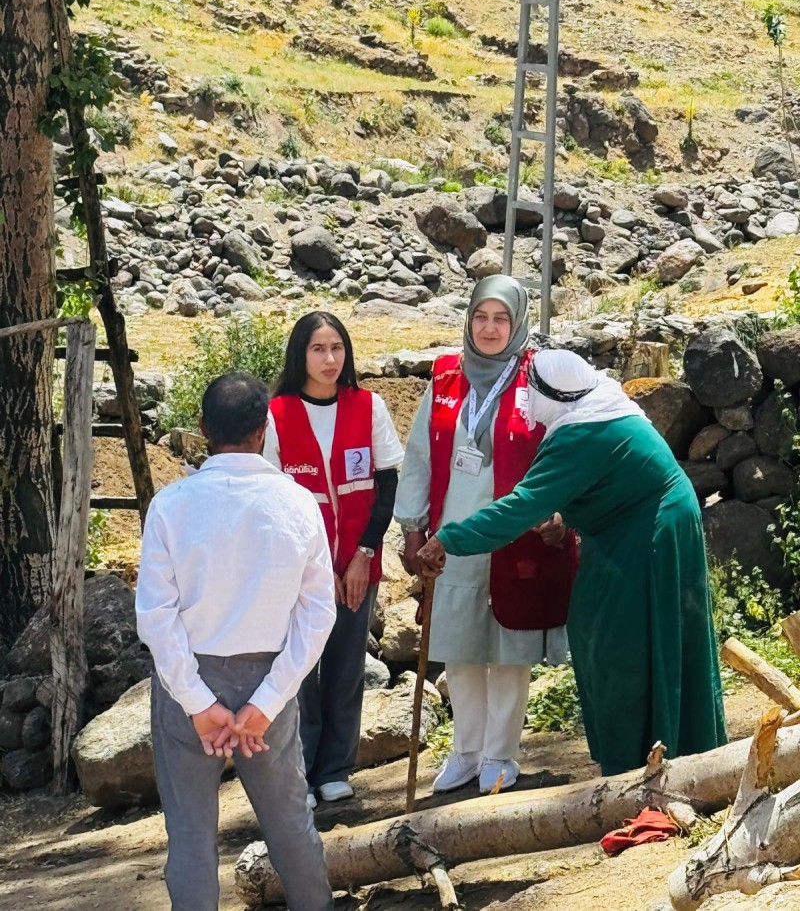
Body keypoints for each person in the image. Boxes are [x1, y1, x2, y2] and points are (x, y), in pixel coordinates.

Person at [415, 349, 727, 777]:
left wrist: (447, 539)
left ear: (553, 394)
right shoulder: (595, 407)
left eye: (532, 391)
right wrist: (562, 515)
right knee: (611, 631)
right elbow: (597, 483)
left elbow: (519, 508)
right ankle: (655, 751)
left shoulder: (582, 433)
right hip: (634, 530)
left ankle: (642, 760)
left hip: (648, 536)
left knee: (620, 643)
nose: (527, 401)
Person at [136, 372, 337, 911]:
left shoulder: (171, 504)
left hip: (189, 679)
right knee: (290, 823)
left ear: (203, 428)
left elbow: (155, 616)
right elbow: (318, 613)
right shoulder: (298, 503)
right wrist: (268, 700)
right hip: (270, 676)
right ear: (264, 429)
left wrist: (198, 702)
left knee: (191, 835)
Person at [394, 276, 579, 795]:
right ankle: (465, 751)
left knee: (508, 650)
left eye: (501, 318)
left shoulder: (539, 378)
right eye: (481, 317)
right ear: (469, 319)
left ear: (518, 323)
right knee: (460, 647)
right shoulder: (445, 378)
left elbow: (567, 449)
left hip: (515, 534)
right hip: (453, 538)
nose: (490, 328)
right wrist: (412, 529)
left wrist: (561, 512)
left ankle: (500, 754)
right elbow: (419, 458)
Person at [265, 311, 404, 808]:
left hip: (357, 564)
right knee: (299, 673)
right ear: (299, 355)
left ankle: (335, 768)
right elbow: (270, 500)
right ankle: (299, 773)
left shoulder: (369, 406)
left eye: (337, 348)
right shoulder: (275, 414)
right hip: (300, 572)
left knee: (346, 669)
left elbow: (386, 486)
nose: (330, 359)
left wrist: (364, 555)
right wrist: (314, 572)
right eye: (318, 349)